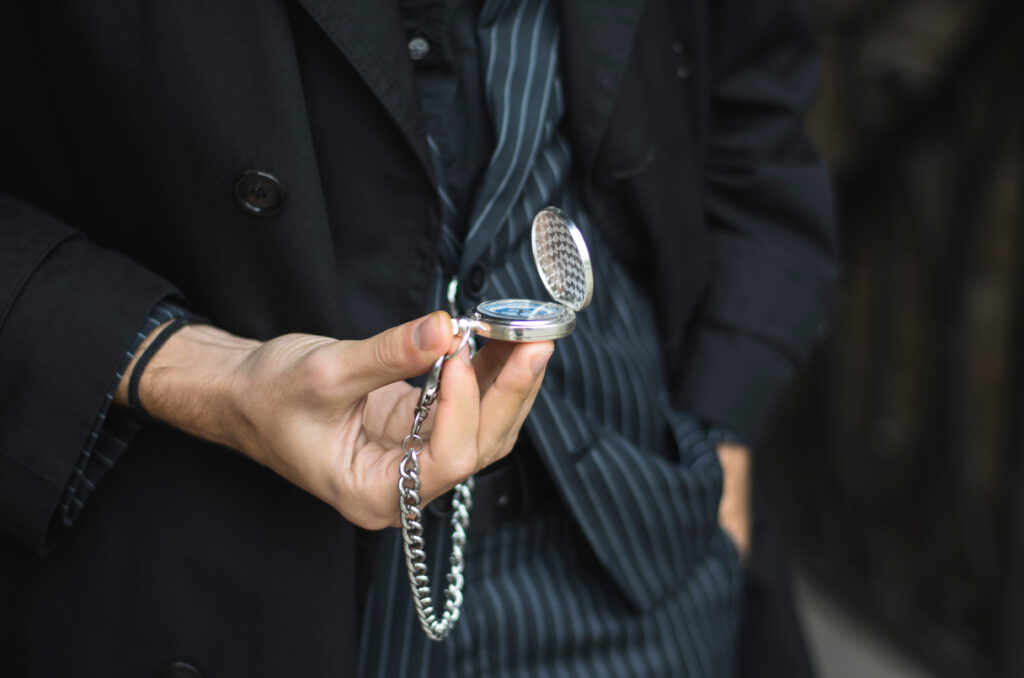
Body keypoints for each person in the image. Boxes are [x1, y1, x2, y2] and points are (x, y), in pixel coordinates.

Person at [0, 1, 837, 676]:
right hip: (226, 580)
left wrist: (726, 427)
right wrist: (195, 372)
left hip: (634, 545)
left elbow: (754, 109)